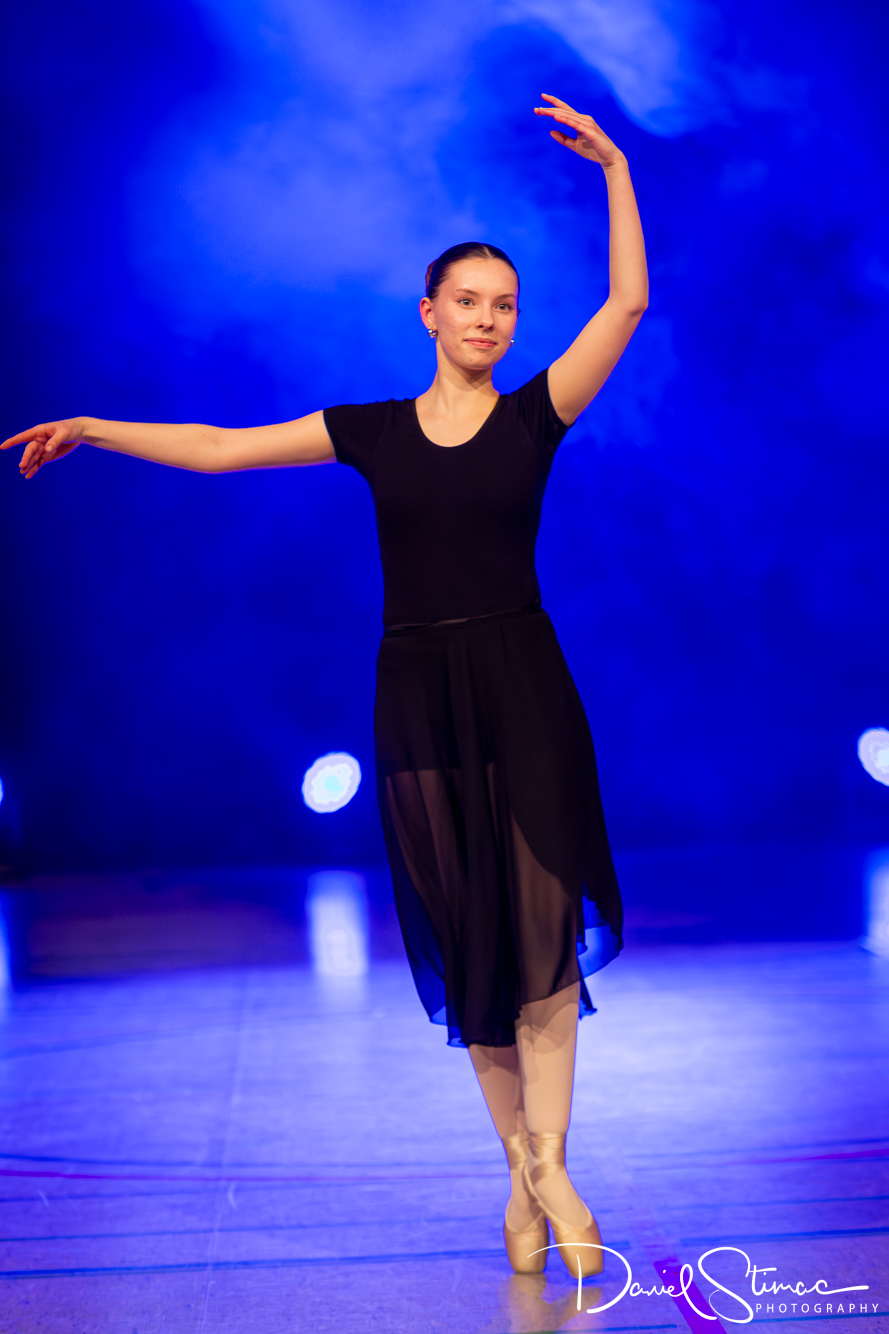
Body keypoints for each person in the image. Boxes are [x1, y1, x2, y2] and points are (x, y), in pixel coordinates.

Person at [2, 94, 647, 1279]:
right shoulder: (373, 431)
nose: (488, 318)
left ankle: (548, 1164)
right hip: (417, 691)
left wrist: (612, 168)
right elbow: (219, 445)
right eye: (469, 300)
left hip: (524, 684)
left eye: (505, 304)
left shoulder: (536, 417)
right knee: (472, 942)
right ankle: (521, 1165)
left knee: (540, 930)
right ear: (428, 312)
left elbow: (626, 305)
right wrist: (93, 424)